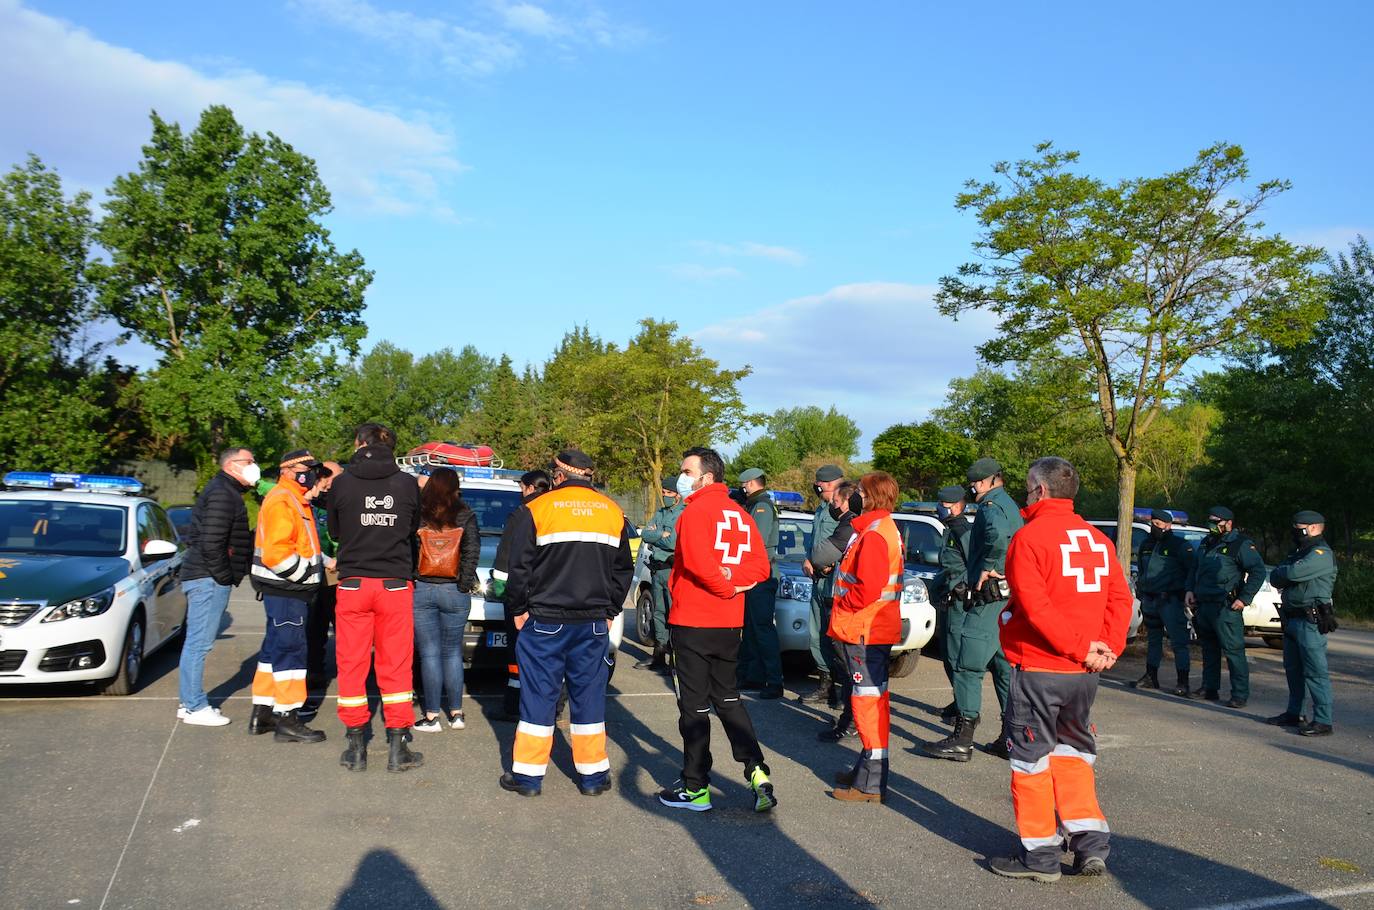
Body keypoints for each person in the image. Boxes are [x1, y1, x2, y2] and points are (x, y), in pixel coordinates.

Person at [990, 456, 1131, 883]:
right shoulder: (1098, 540)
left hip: (1041, 667)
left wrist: (1081, 648)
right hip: (1084, 675)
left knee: (1031, 762)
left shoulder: (1030, 538)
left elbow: (1037, 608)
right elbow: (1120, 600)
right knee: (1074, 756)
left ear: (1040, 490)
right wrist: (1107, 649)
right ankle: (1090, 845)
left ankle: (1040, 857)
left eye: (1027, 487)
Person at [499, 451, 634, 797]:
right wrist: (611, 609)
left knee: (538, 697)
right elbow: (623, 569)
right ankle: (592, 776)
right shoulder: (612, 512)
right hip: (591, 622)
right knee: (588, 697)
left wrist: (517, 608)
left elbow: (519, 569)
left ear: (558, 475)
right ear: (588, 476)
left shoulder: (537, 509)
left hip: (545, 620)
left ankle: (528, 778)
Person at [657, 447, 778, 813]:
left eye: (686, 470)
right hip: (729, 623)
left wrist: (726, 584)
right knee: (728, 699)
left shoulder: (695, 512)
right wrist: (734, 585)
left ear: (706, 477)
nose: (682, 476)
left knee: (693, 707)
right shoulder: (740, 513)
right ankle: (757, 770)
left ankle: (696, 787)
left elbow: (695, 561)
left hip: (694, 620)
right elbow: (760, 568)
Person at [327, 423, 423, 773]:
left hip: (352, 584)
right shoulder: (407, 483)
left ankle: (355, 746)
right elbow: (412, 527)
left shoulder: (341, 483)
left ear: (358, 444)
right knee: (395, 664)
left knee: (351, 664)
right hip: (395, 585)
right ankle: (398, 747)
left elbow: (335, 531)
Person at [923, 457, 1021, 762]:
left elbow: (998, 537)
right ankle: (1011, 738)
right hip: (1005, 601)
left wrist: (989, 567)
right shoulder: (1008, 504)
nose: (974, 487)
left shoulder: (994, 508)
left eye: (978, 482)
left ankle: (962, 739)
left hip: (989, 600)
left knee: (966, 666)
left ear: (994, 480)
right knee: (1004, 668)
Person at [829, 472, 905, 803]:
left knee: (867, 704)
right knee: (874, 702)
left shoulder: (875, 533)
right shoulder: (881, 528)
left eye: (859, 491)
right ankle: (867, 770)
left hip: (864, 628)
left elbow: (867, 589)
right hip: (873, 627)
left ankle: (869, 785)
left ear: (871, 496)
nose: (855, 495)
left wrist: (842, 605)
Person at [247, 450, 328, 743]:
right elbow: (277, 552)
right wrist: (307, 575)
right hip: (287, 591)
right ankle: (288, 717)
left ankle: (263, 712)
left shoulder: (292, 497)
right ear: (289, 470)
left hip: (281, 590)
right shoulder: (284, 499)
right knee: (292, 653)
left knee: (273, 651)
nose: (313, 473)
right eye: (309, 468)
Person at [177, 446, 257, 727]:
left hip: (205, 576)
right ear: (232, 465)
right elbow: (212, 542)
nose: (254, 466)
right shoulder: (224, 494)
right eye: (249, 461)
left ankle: (188, 701)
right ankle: (194, 705)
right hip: (207, 579)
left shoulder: (226, 491)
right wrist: (223, 576)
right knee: (199, 643)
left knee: (196, 642)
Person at [412, 467, 480, 733]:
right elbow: (472, 550)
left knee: (429, 653)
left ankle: (431, 716)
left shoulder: (419, 514)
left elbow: (408, 549)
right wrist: (463, 584)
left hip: (424, 587)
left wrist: (413, 576)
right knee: (452, 652)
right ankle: (456, 713)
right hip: (454, 590)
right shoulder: (466, 514)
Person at [1266, 510, 1339, 736]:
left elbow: (1293, 573)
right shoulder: (1300, 552)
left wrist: (1285, 572)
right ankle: (1294, 713)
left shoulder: (1320, 553)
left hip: (1310, 620)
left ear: (1315, 528)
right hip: (1292, 619)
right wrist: (1285, 572)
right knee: (1293, 671)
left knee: (1315, 672)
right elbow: (1276, 576)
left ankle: (1323, 721)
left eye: (1299, 528)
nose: (1295, 531)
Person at [489, 470, 552, 720]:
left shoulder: (522, 513)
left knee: (517, 651)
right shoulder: (553, 510)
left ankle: (514, 705)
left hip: (522, 595)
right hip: (548, 595)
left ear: (527, 488)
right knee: (547, 654)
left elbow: (506, 559)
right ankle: (552, 705)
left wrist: (505, 594)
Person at [1186, 506, 1264, 706]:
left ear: (1229, 523)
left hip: (1226, 607)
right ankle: (1209, 688)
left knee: (1233, 651)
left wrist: (1244, 598)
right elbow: (1195, 568)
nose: (1212, 524)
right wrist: (1190, 590)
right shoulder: (1207, 542)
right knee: (1209, 649)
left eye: (1216, 521)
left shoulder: (1241, 544)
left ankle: (1239, 694)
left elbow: (1258, 571)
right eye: (1210, 520)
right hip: (1204, 605)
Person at [809, 480, 862, 740]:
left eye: (837, 502)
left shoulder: (851, 525)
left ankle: (851, 721)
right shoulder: (868, 526)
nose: (834, 507)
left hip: (854, 612)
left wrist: (823, 560)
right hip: (854, 610)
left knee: (853, 670)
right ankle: (851, 719)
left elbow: (820, 555)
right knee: (855, 671)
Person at [1131, 509, 1195, 695]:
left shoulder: (1180, 545)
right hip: (1150, 599)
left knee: (1179, 642)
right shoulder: (1147, 544)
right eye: (1153, 523)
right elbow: (1142, 571)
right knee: (1154, 641)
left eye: (1158, 524)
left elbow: (1191, 570)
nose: (1155, 527)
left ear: (1168, 525)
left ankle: (1183, 683)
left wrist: (1187, 593)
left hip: (1171, 600)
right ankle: (1151, 677)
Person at [735, 467, 783, 699]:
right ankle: (752, 676)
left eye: (745, 485)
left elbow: (756, 539)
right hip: (754, 573)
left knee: (762, 628)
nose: (743, 488)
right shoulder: (755, 505)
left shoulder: (762, 507)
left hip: (763, 575)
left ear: (752, 483)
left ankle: (774, 681)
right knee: (752, 629)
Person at [800, 465, 845, 707]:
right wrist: (808, 560)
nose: (817, 487)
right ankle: (825, 686)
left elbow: (846, 541)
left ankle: (841, 690)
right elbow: (816, 541)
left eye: (820, 483)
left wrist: (829, 563)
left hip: (834, 581)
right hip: (817, 580)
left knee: (834, 638)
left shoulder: (843, 510)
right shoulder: (821, 509)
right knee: (816, 635)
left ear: (828, 484)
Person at [933, 484, 974, 722]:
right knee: (948, 655)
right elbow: (947, 567)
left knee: (957, 657)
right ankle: (958, 700)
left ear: (957, 506)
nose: (941, 509)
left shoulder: (962, 531)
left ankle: (964, 708)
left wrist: (962, 586)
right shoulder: (950, 529)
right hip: (947, 600)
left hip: (959, 602)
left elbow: (974, 564)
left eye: (945, 506)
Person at [636, 480, 684, 673]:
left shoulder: (682, 513)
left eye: (668, 492)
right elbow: (646, 534)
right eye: (663, 491)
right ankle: (659, 654)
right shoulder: (661, 512)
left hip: (673, 570)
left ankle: (676, 658)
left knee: (674, 613)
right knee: (658, 612)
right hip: (658, 570)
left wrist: (662, 535)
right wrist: (660, 535)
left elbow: (673, 542)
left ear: (677, 495)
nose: (664, 495)